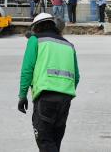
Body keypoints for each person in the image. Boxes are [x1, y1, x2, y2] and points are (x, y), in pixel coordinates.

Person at [18, 13, 79, 152]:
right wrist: (65, 92)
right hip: (65, 98)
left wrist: (22, 95)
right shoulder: (69, 45)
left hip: (46, 97)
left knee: (45, 141)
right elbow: (77, 77)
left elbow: (27, 70)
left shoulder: (35, 40)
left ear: (36, 27)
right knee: (55, 141)